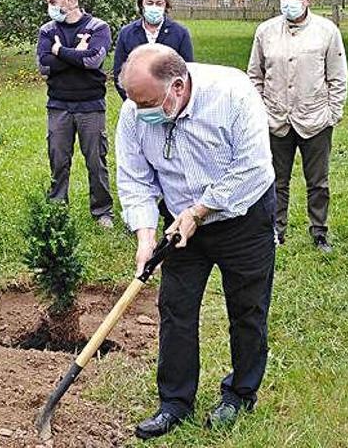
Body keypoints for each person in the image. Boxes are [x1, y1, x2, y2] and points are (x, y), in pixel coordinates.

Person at [116, 44, 275, 439]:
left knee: (247, 308)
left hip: (243, 216)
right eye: (134, 102)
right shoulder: (135, 111)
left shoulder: (233, 94)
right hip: (180, 225)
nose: (141, 111)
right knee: (176, 309)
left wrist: (199, 210)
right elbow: (134, 178)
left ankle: (239, 394)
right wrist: (145, 234)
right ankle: (174, 402)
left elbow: (253, 168)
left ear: (178, 86)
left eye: (149, 102)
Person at [247, 0, 348, 251]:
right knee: (275, 179)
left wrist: (332, 114)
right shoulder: (265, 32)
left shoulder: (327, 32)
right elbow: (255, 75)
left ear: (308, 0)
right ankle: (276, 230)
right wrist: (261, 110)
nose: (289, 2)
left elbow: (338, 77)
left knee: (318, 181)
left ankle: (319, 231)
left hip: (315, 119)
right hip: (276, 119)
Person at [36, 0, 114, 228]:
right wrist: (72, 53)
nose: (49, 7)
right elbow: (43, 65)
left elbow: (93, 60)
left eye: (52, 2)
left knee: (96, 161)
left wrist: (59, 51)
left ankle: (102, 212)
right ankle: (58, 208)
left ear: (70, 1)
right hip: (59, 105)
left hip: (91, 104)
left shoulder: (98, 27)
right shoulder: (47, 30)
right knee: (58, 159)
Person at [113, 0, 194, 101]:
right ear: (141, 5)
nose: (154, 7)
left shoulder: (180, 33)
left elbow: (188, 71)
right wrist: (133, 101)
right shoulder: (127, 33)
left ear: (166, 5)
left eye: (159, 3)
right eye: (150, 3)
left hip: (171, 105)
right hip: (136, 103)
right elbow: (118, 72)